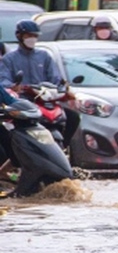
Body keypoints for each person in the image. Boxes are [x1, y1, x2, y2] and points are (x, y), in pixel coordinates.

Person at [0, 19, 80, 158]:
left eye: (35, 36)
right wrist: (15, 87)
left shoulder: (44, 56)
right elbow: (4, 80)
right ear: (19, 36)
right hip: (24, 103)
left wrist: (63, 90)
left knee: (72, 117)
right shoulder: (9, 59)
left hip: (45, 100)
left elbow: (55, 78)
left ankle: (64, 148)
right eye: (28, 36)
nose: (32, 39)